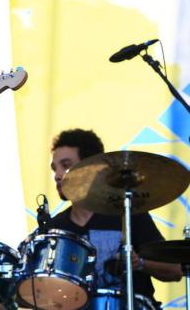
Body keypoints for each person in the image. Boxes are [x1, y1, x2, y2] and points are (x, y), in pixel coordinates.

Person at [48, 128, 182, 308]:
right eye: (54, 168)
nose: (57, 175)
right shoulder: (54, 229)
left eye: (66, 165)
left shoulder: (127, 213)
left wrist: (140, 263)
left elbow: (175, 271)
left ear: (91, 169)